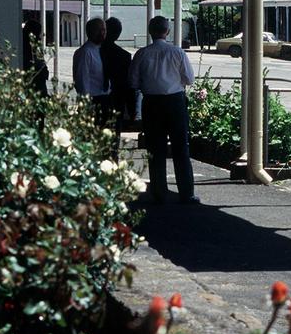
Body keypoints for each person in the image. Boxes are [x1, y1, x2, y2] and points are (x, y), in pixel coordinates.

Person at [129, 16, 199, 205]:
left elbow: (133, 82)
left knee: (155, 148)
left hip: (152, 103)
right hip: (175, 101)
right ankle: (186, 192)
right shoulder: (177, 52)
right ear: (167, 31)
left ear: (150, 32)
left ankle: (159, 192)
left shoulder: (142, 54)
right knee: (180, 147)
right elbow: (189, 79)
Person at [102, 17, 136, 148]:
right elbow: (129, 85)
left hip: (93, 102)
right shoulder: (124, 56)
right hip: (117, 104)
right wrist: (132, 111)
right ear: (118, 34)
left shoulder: (92, 51)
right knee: (113, 145)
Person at [72, 17, 111, 125]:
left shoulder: (102, 50)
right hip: (93, 100)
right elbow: (81, 79)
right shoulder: (85, 52)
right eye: (98, 30)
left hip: (105, 99)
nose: (102, 33)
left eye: (104, 30)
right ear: (89, 32)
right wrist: (86, 103)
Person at [22, 19, 49, 97]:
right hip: (33, 80)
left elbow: (41, 61)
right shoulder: (28, 46)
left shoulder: (35, 46)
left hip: (38, 79)